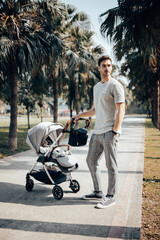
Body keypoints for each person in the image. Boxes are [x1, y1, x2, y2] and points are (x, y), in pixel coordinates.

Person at [73, 55, 125, 209]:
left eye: (109, 65)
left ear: (111, 67)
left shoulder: (115, 85)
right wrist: (79, 115)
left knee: (111, 165)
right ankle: (97, 192)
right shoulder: (96, 87)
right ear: (99, 68)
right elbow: (94, 110)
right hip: (96, 133)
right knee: (90, 161)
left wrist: (115, 130)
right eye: (104, 65)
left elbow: (121, 109)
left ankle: (110, 196)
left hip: (109, 132)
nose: (107, 68)